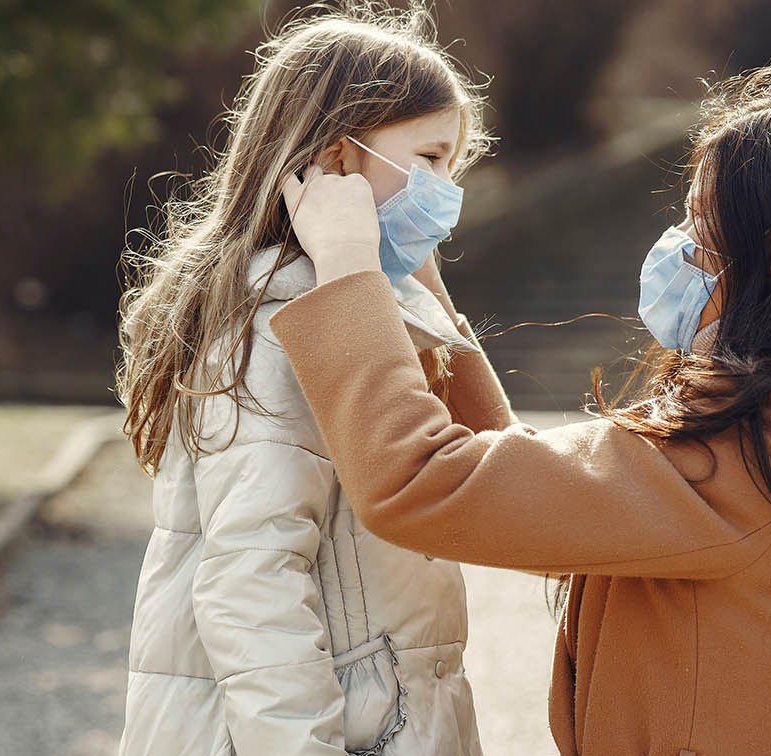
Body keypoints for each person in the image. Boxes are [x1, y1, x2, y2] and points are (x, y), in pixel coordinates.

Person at [271, 63, 771, 755]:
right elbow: (534, 496)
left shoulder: (765, 437)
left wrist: (350, 269)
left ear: (769, 253)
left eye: (698, 219)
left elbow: (421, 482)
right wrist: (428, 291)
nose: (677, 242)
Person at [114, 5, 507, 755]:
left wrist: (404, 271)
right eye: (426, 160)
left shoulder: (355, 306)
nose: (444, 190)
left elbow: (489, 476)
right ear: (334, 160)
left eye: (452, 166)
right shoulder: (284, 320)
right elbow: (251, 586)